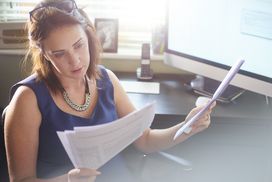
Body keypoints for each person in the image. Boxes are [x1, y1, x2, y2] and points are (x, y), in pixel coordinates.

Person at [3, 0, 215, 181]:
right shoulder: (28, 99)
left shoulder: (106, 79)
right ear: (44, 54)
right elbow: (21, 180)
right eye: (59, 54)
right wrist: (67, 179)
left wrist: (188, 127)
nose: (75, 60)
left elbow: (145, 141)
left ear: (88, 37)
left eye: (79, 45)